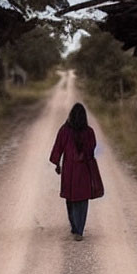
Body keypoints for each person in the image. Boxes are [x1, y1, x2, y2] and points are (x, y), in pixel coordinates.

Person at [49, 102, 103, 239]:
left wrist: (57, 164)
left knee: (70, 198)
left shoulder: (65, 130)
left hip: (69, 170)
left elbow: (58, 148)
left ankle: (74, 226)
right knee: (83, 200)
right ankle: (79, 230)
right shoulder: (89, 132)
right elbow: (92, 148)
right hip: (84, 170)